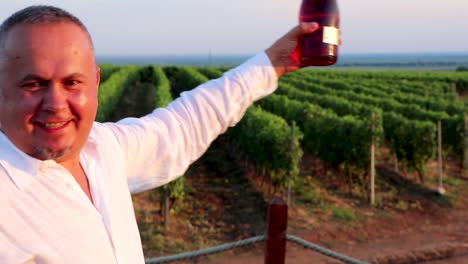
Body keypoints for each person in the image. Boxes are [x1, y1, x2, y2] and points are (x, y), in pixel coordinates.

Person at [0, 5, 322, 264]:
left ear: (95, 83)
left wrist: (273, 63)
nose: (56, 104)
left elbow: (182, 125)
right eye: (33, 84)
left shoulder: (104, 148)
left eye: (72, 83)